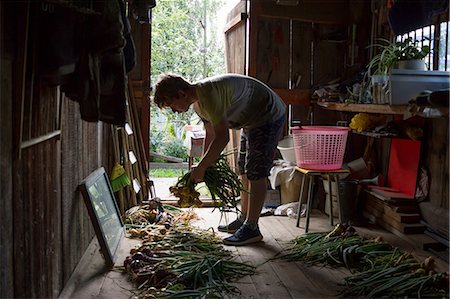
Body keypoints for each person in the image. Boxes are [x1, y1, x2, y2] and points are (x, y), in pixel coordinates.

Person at [153, 73, 286, 246]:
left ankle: (252, 227)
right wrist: (205, 164)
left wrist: (202, 166)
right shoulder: (198, 105)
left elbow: (223, 138)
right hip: (252, 120)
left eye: (172, 105)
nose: (174, 110)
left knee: (256, 172)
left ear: (181, 94)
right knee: (243, 169)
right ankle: (245, 218)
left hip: (268, 114)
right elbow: (211, 133)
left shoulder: (208, 95)